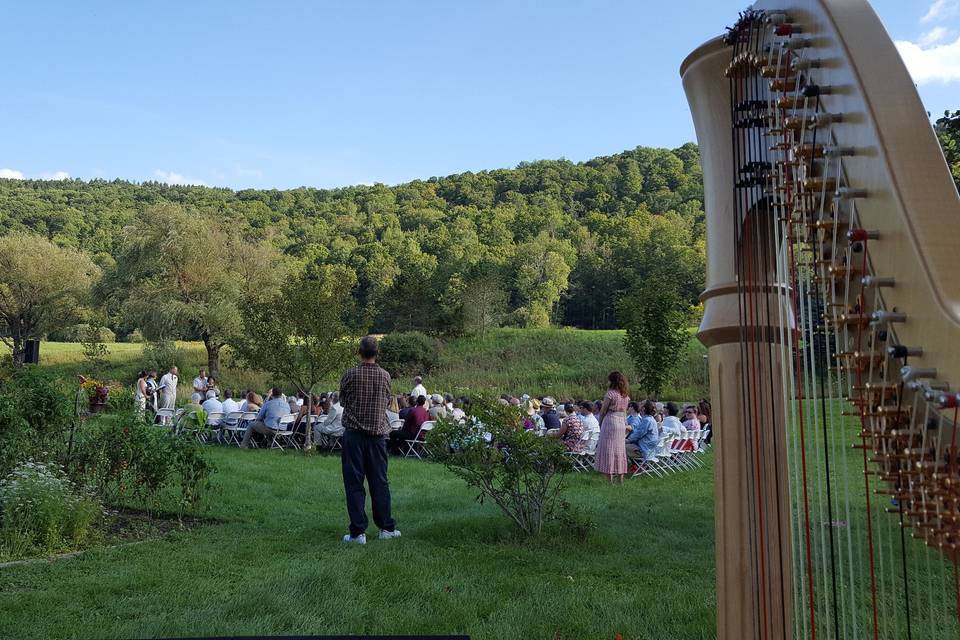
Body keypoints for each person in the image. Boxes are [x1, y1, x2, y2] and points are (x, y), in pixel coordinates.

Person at [338, 336, 399, 544]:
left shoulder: (350, 374)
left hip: (354, 435)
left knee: (354, 483)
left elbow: (343, 400)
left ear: (359, 352)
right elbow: (388, 399)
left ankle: (358, 533)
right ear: (377, 353)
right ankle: (386, 528)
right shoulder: (385, 376)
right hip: (377, 435)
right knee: (380, 482)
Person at [593, 371, 630, 484]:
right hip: (621, 423)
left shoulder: (610, 394)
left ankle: (610, 480)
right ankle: (620, 479)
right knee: (620, 450)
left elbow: (603, 410)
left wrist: (600, 422)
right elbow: (624, 412)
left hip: (610, 421)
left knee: (608, 449)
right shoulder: (625, 396)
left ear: (612, 381)